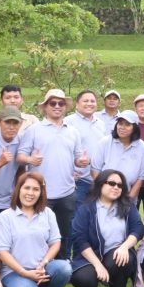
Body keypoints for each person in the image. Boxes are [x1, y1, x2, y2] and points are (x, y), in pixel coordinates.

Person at [16, 89, 88, 260]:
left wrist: (82, 161)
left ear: (65, 107)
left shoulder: (73, 131)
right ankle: (38, 265)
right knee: (39, 234)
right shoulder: (34, 130)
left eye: (61, 103)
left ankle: (62, 265)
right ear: (45, 107)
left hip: (66, 193)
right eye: (52, 103)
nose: (57, 106)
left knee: (64, 233)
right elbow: (20, 157)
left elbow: (77, 158)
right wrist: (31, 160)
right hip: (40, 193)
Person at [0, 172, 72, 287]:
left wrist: (44, 262)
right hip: (13, 272)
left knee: (65, 268)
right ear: (19, 189)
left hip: (41, 268)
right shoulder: (6, 216)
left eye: (36, 189)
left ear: (41, 192)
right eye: (27, 188)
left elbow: (56, 242)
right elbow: (2, 252)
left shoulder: (47, 213)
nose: (30, 193)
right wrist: (24, 272)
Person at [69, 170, 144, 287]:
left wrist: (124, 247)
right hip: (90, 256)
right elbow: (80, 240)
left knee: (122, 258)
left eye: (120, 185)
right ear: (100, 184)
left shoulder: (128, 206)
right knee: (85, 280)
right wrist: (98, 265)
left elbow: (138, 228)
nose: (116, 187)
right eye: (111, 183)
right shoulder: (86, 208)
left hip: (115, 253)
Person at [93, 111, 144, 203]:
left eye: (127, 124)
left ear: (135, 128)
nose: (122, 127)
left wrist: (128, 200)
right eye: (120, 123)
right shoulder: (105, 142)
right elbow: (95, 170)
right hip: (104, 196)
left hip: (127, 197)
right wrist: (103, 193)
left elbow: (141, 178)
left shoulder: (142, 147)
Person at [65, 90, 107, 209]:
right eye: (85, 101)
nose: (89, 103)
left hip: (98, 180)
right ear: (77, 104)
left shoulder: (100, 124)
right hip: (78, 181)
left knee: (95, 214)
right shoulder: (68, 122)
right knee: (77, 215)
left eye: (92, 101)